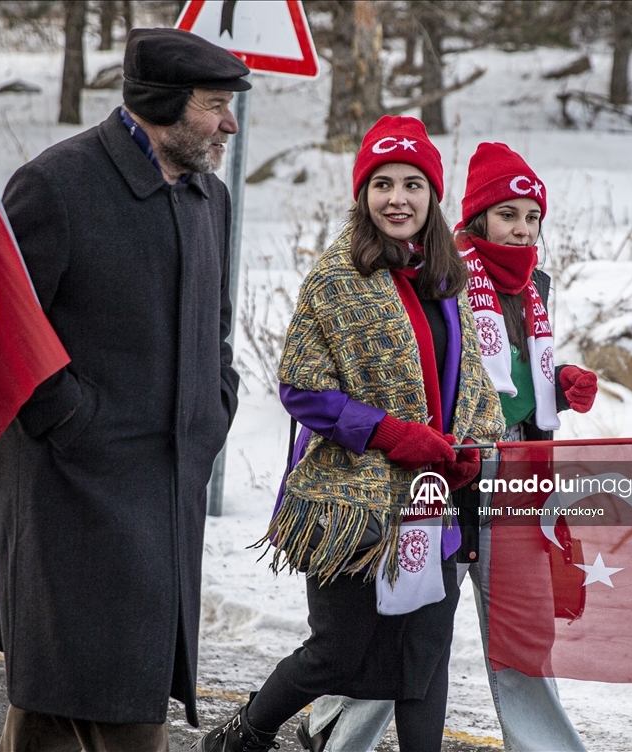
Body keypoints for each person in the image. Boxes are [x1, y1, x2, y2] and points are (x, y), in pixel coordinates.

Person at [197, 116, 504, 752]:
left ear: (433, 194)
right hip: (352, 501)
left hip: (434, 499)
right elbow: (302, 387)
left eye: (413, 184)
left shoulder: (447, 277)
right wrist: (394, 434)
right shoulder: (336, 279)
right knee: (338, 651)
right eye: (382, 184)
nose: (398, 199)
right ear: (363, 194)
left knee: (424, 657)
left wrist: (470, 446)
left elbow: (472, 376)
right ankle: (245, 734)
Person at [0, 28, 246, 752]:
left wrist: (214, 405)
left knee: (57, 708)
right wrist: (74, 420)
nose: (229, 124)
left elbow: (217, 326)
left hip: (165, 497)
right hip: (70, 497)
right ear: (161, 103)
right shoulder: (54, 185)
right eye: (215, 105)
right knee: (105, 702)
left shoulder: (210, 197)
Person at [299, 143, 598, 752]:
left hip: (516, 477)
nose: (521, 229)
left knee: (522, 629)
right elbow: (449, 378)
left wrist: (560, 384)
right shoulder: (443, 274)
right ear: (476, 217)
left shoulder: (534, 286)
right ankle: (336, 730)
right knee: (410, 626)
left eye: (532, 217)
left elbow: (515, 379)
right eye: (507, 215)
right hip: (444, 470)